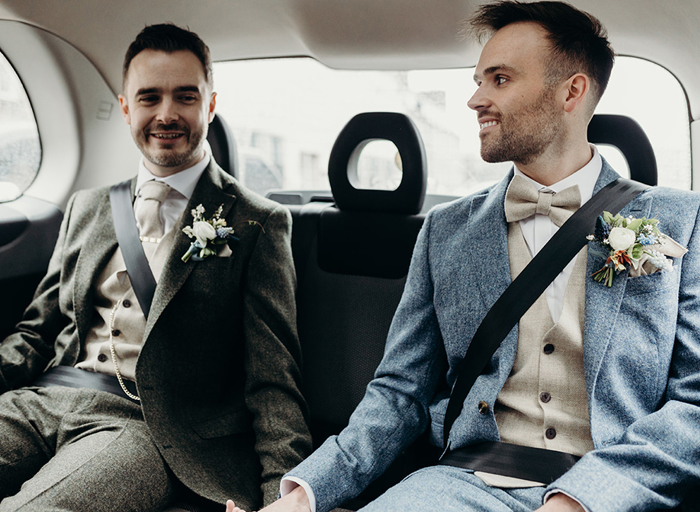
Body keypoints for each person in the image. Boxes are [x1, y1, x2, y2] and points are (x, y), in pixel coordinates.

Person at [226, 2, 700, 512]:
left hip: (615, 492)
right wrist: (302, 496)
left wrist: (583, 499)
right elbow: (398, 394)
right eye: (478, 81)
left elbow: (694, 403)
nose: (476, 99)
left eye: (499, 79)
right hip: (463, 485)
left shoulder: (682, 222)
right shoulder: (447, 231)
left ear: (572, 91)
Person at [0, 23, 311, 512]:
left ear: (209, 105)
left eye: (185, 97)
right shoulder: (88, 205)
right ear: (126, 108)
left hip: (147, 428)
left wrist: (281, 496)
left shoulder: (257, 222)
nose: (166, 114)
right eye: (149, 98)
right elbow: (36, 333)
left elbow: (273, 380)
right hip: (45, 400)